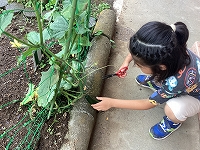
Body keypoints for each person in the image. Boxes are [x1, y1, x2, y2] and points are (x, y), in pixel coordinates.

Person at [91, 21, 200, 140]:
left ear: (162, 67)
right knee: (158, 75)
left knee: (173, 109)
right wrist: (126, 62)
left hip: (195, 96)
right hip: (180, 80)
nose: (136, 66)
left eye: (139, 64)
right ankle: (158, 83)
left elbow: (148, 103)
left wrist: (111, 103)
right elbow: (141, 50)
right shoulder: (171, 50)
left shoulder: (175, 83)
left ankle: (173, 122)